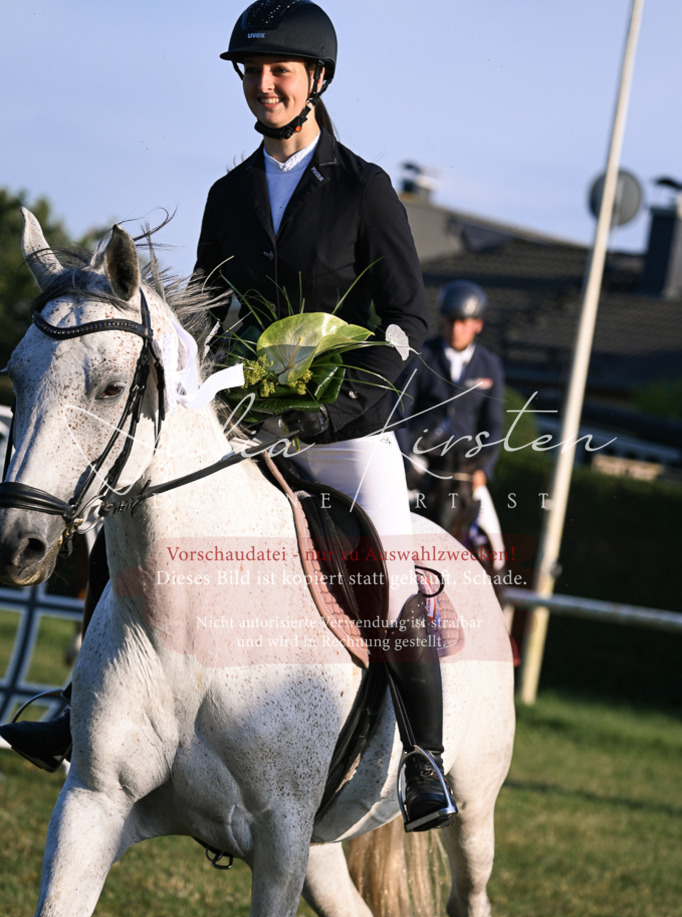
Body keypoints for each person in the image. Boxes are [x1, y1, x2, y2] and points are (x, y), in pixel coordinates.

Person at [1, 0, 456, 834]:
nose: (264, 85)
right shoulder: (229, 193)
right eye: (252, 71)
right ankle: (79, 705)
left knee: (385, 563)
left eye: (280, 70)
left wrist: (346, 409)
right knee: (129, 513)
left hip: (345, 432)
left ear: (316, 80)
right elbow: (205, 321)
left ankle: (424, 760)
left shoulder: (364, 189)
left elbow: (408, 322)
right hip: (246, 422)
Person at [396, 280, 507, 568]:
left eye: (463, 322)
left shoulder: (489, 365)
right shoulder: (423, 355)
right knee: (394, 526)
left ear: (477, 324)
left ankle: (499, 596)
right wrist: (407, 462)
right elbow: (402, 414)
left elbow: (494, 425)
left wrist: (485, 468)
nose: (455, 329)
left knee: (495, 546)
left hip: (464, 467)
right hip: (422, 460)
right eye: (450, 321)